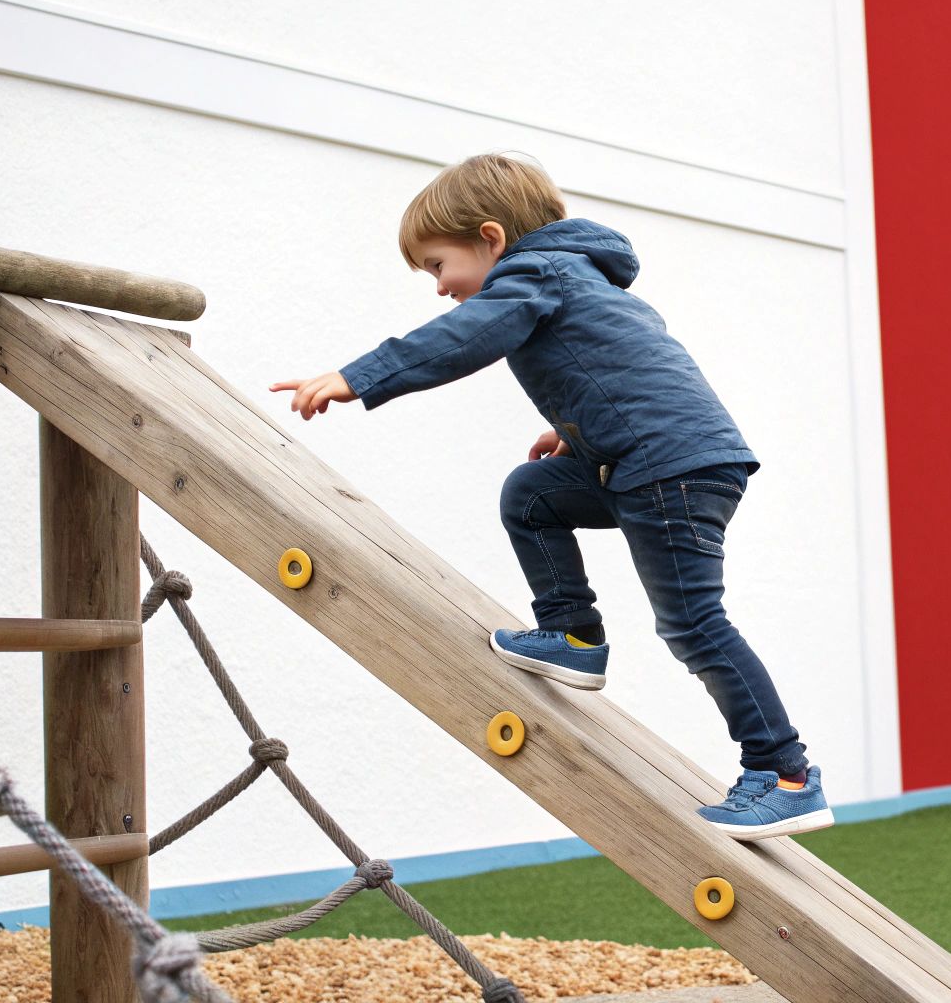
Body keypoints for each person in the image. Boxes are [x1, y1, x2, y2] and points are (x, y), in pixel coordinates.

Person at [270, 153, 833, 841]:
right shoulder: (579, 278)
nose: (440, 288)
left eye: (438, 265)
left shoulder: (535, 274)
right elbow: (624, 369)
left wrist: (361, 376)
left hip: (667, 471)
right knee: (533, 494)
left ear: (492, 238)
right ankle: (572, 635)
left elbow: (464, 339)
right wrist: (579, 430)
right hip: (653, 460)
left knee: (692, 624)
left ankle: (784, 773)